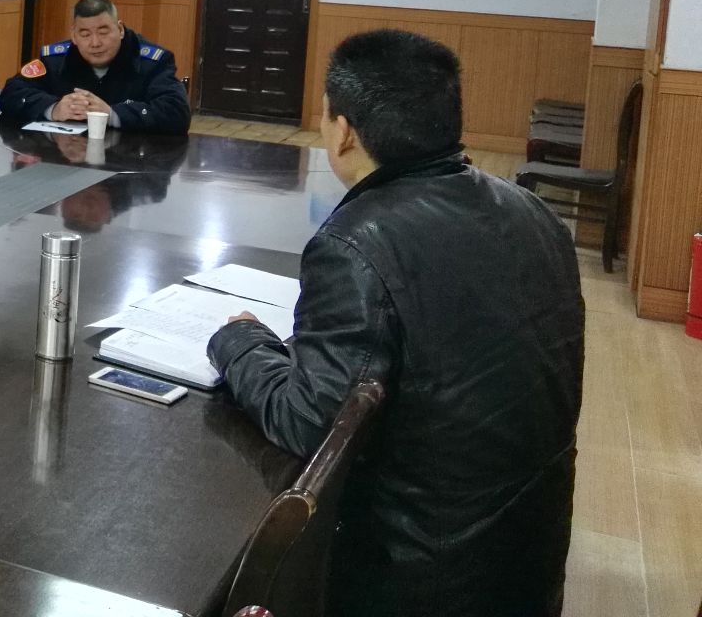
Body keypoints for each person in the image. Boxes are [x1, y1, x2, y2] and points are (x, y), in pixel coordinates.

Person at [207, 30, 584, 617]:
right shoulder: (534, 211)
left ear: (344, 131)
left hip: (419, 578)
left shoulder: (357, 243)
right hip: (528, 561)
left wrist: (240, 340)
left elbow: (308, 424)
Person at [0, 0, 189, 133]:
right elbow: (11, 93)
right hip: (66, 160)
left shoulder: (153, 62)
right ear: (74, 35)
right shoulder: (55, 59)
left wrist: (112, 114)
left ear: (120, 29)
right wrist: (53, 108)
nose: (95, 43)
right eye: (85, 34)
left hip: (129, 161)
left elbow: (177, 112)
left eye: (103, 32)